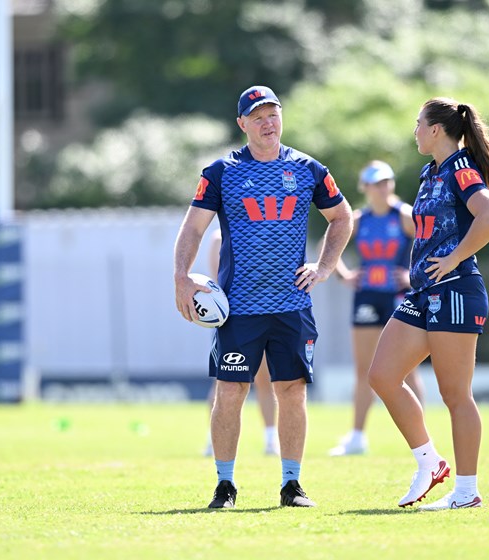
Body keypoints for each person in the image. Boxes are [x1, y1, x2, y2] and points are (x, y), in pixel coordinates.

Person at [174, 85, 353, 509]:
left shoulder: (308, 169)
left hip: (292, 305)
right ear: (243, 124)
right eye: (257, 117)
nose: (267, 123)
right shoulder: (221, 172)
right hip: (239, 308)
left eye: (272, 114)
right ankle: (225, 486)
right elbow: (193, 228)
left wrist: (324, 267)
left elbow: (342, 217)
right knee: (230, 392)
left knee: (291, 391)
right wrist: (180, 277)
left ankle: (292, 485)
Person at [367, 97, 489, 510]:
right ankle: (429, 463)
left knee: (455, 395)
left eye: (418, 124)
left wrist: (454, 257)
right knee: (382, 376)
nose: (414, 131)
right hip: (423, 292)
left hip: (456, 290)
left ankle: (466, 492)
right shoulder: (430, 171)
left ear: (435, 130)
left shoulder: (461, 170)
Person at [328, 160, 425, 456]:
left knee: (408, 370)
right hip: (367, 298)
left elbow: (432, 242)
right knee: (364, 370)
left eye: (386, 182)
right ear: (365, 187)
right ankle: (357, 437)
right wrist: (343, 275)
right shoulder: (359, 219)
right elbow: (328, 245)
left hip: (399, 297)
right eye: (375, 183)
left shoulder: (405, 215)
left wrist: (414, 276)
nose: (382, 188)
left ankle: (422, 439)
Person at [203, 229, 279, 457]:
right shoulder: (219, 237)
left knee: (265, 380)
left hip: (261, 313)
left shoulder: (262, 233)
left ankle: (270, 438)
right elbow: (218, 281)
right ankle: (213, 440)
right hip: (233, 318)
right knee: (224, 383)